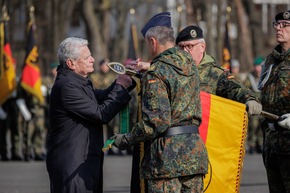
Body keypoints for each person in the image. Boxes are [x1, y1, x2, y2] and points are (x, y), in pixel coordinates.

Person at [112, 12, 208, 192]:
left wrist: (125, 139)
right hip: (195, 155)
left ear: (153, 42)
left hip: (166, 160)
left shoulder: (156, 73)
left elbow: (155, 122)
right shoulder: (191, 66)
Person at [45, 37, 136, 193]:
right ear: (71, 63)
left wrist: (127, 77)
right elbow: (101, 114)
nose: (92, 60)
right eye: (86, 57)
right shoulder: (67, 86)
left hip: (83, 160)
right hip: (72, 164)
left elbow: (102, 96)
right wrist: (120, 87)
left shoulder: (77, 81)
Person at [175, 25, 262, 115]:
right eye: (181, 47)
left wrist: (249, 99)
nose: (185, 51)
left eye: (190, 46)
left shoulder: (215, 74)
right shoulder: (172, 70)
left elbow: (235, 89)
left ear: (202, 47)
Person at [258, 10, 290, 193]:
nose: (279, 28)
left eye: (285, 25)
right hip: (272, 144)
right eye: (277, 24)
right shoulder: (271, 60)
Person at [243, 57, 264, 154]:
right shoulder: (250, 78)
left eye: (259, 66)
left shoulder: (265, 76)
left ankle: (260, 143)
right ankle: (251, 144)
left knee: (261, 126)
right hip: (254, 106)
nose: (257, 68)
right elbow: (244, 89)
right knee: (253, 126)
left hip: (263, 106)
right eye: (256, 66)